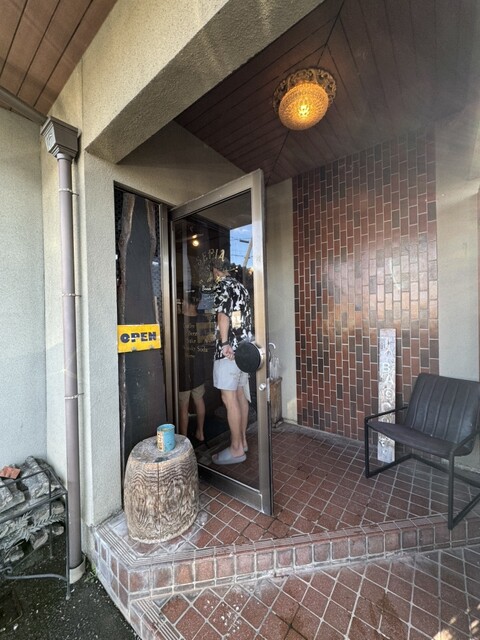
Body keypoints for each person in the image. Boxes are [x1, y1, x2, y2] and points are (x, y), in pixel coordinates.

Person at [210, 257, 252, 465]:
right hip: (243, 350)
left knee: (229, 398)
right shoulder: (242, 288)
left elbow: (223, 316)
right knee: (240, 395)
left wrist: (225, 343)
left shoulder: (222, 285)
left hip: (228, 351)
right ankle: (242, 441)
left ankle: (236, 449)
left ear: (216, 271)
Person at [177, 288, 206, 444]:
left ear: (187, 303)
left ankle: (184, 441)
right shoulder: (203, 319)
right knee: (199, 399)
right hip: (199, 367)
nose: (181, 304)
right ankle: (201, 432)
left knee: (183, 406)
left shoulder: (178, 321)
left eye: (182, 301)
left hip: (183, 369)